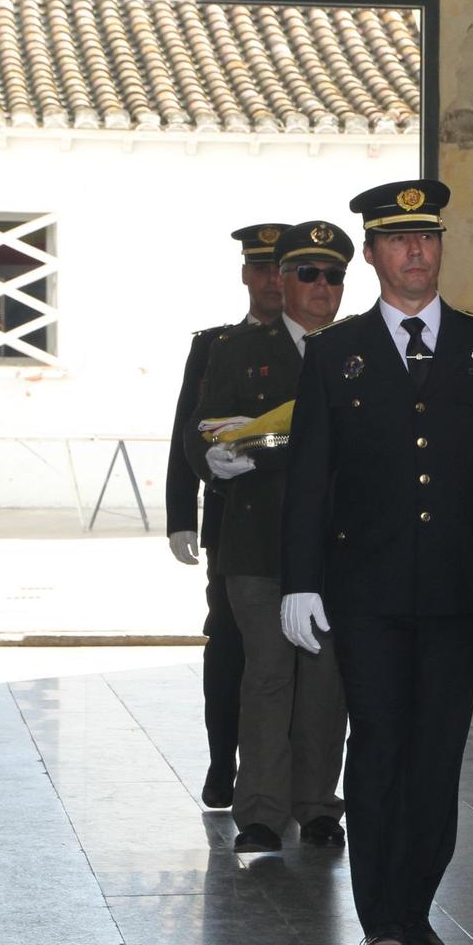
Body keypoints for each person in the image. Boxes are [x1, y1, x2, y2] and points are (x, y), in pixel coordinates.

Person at [279, 179, 473, 945]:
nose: (417, 251)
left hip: (453, 587)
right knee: (377, 746)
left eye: (428, 237)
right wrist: (299, 578)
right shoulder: (338, 354)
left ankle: (417, 907)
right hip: (364, 590)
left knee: (437, 752)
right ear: (372, 254)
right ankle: (380, 919)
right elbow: (311, 473)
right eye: (399, 240)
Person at [182, 221, 351, 855]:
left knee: (324, 682)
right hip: (257, 543)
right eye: (308, 273)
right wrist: (213, 458)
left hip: (335, 545)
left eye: (333, 275)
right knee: (268, 677)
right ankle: (259, 812)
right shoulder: (236, 349)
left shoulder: (360, 348)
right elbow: (200, 428)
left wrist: (267, 441)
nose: (321, 287)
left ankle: (317, 806)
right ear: (282, 280)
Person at [166, 222, 285, 809]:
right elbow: (187, 428)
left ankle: (282, 774)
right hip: (232, 522)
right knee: (229, 647)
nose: (270, 280)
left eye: (278, 268)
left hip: (298, 523)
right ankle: (222, 762)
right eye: (259, 268)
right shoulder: (214, 344)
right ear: (245, 275)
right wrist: (179, 512)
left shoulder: (324, 342)